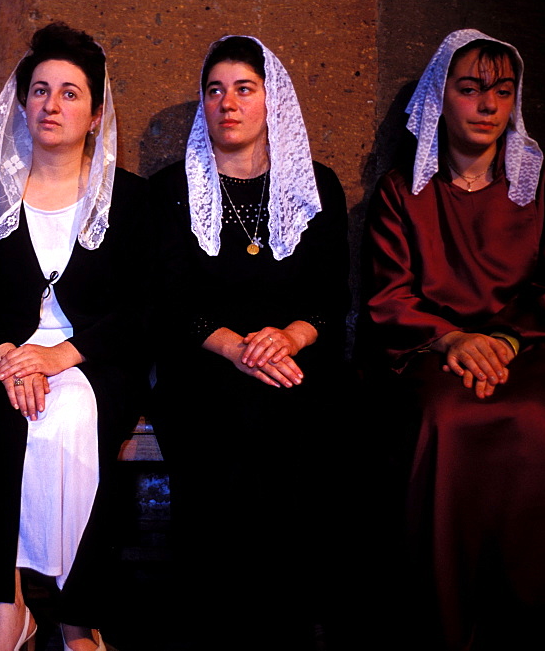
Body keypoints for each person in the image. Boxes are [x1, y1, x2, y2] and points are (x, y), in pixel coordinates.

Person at [366, 29, 545, 649]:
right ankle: (449, 621)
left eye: (502, 92)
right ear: (440, 99)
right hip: (434, 357)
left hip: (531, 351)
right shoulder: (406, 193)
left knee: (544, 414)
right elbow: (390, 297)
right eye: (471, 89)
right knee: (446, 420)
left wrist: (505, 341)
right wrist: (453, 341)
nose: (487, 105)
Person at [150, 35, 349, 647]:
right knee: (231, 420)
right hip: (204, 359)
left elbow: (329, 295)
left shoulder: (316, 185)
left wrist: (288, 336)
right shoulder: (170, 190)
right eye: (214, 91)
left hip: (295, 358)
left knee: (310, 417)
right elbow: (170, 304)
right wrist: (236, 347)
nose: (227, 104)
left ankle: (294, 615)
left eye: (244, 89)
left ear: (272, 101)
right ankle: (217, 619)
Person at [0, 22, 150, 651]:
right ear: (22, 103)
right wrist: (6, 356)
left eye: (70, 93)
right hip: (6, 358)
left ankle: (81, 614)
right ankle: (9, 605)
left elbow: (140, 311)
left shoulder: (128, 201)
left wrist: (60, 355)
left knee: (78, 411)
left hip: (98, 358)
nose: (53, 105)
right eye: (41, 90)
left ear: (96, 110)